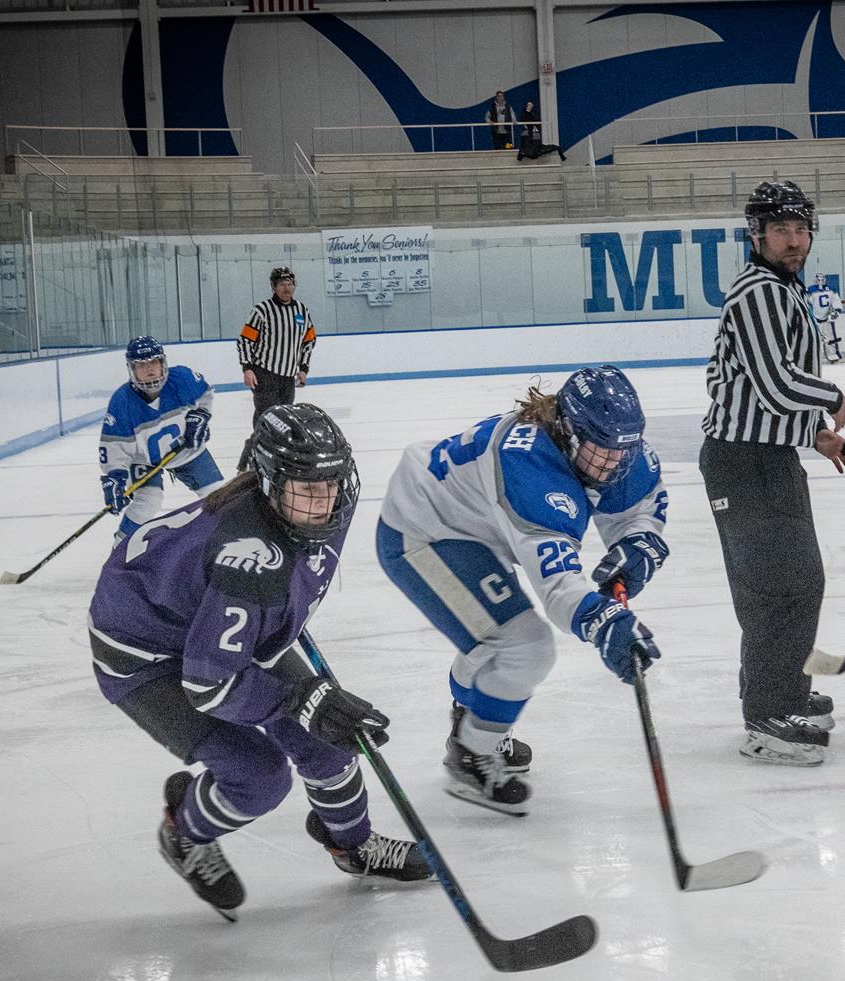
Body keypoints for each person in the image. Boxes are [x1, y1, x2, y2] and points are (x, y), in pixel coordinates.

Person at [89, 403, 432, 920]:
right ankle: (184, 832)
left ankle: (352, 845)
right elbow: (209, 684)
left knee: (328, 740)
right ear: (270, 483)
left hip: (211, 622)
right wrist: (302, 697)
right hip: (143, 657)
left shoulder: (319, 504)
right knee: (259, 776)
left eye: (331, 483)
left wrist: (309, 698)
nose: (324, 501)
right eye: (306, 488)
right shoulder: (249, 559)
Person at [377, 366, 666, 816]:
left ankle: (471, 712)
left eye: (622, 452)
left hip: (468, 525)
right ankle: (472, 755)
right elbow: (558, 589)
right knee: (524, 645)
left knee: (499, 636)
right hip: (422, 529)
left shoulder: (610, 447)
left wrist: (638, 542)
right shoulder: (532, 472)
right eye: (601, 451)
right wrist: (603, 621)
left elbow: (638, 509)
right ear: (568, 432)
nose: (613, 464)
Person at [700, 180, 845, 766]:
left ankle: (783, 691)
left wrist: (812, 433)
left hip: (764, 456)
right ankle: (767, 714)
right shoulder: (760, 293)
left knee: (793, 581)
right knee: (778, 586)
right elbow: (775, 381)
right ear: (757, 235)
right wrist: (831, 394)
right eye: (781, 230)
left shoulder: (778, 290)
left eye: (800, 230)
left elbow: (759, 393)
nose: (794, 241)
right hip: (744, 463)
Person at [100, 336, 225, 540]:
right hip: (143, 458)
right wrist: (114, 477)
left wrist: (200, 415)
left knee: (219, 496)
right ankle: (121, 547)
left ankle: (226, 544)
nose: (149, 370)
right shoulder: (121, 402)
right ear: (131, 369)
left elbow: (206, 394)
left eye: (153, 363)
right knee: (148, 500)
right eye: (141, 365)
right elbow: (114, 447)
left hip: (185, 449)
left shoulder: (182, 378)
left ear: (163, 363)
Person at [235, 266, 316, 471]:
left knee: (278, 420)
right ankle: (256, 460)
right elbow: (245, 340)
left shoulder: (302, 311)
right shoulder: (261, 311)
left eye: (289, 284)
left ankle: (262, 458)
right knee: (270, 420)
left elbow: (309, 340)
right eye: (281, 284)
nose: (286, 288)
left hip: (287, 378)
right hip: (264, 374)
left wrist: (303, 368)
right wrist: (247, 368)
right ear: (273, 287)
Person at [805, 273, 845, 363]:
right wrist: (810, 317)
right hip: (814, 319)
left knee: (830, 338)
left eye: (821, 279)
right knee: (812, 339)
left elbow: (838, 307)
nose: (820, 281)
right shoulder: (810, 290)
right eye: (819, 279)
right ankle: (811, 358)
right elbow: (807, 305)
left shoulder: (829, 290)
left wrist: (832, 317)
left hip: (826, 319)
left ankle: (833, 355)